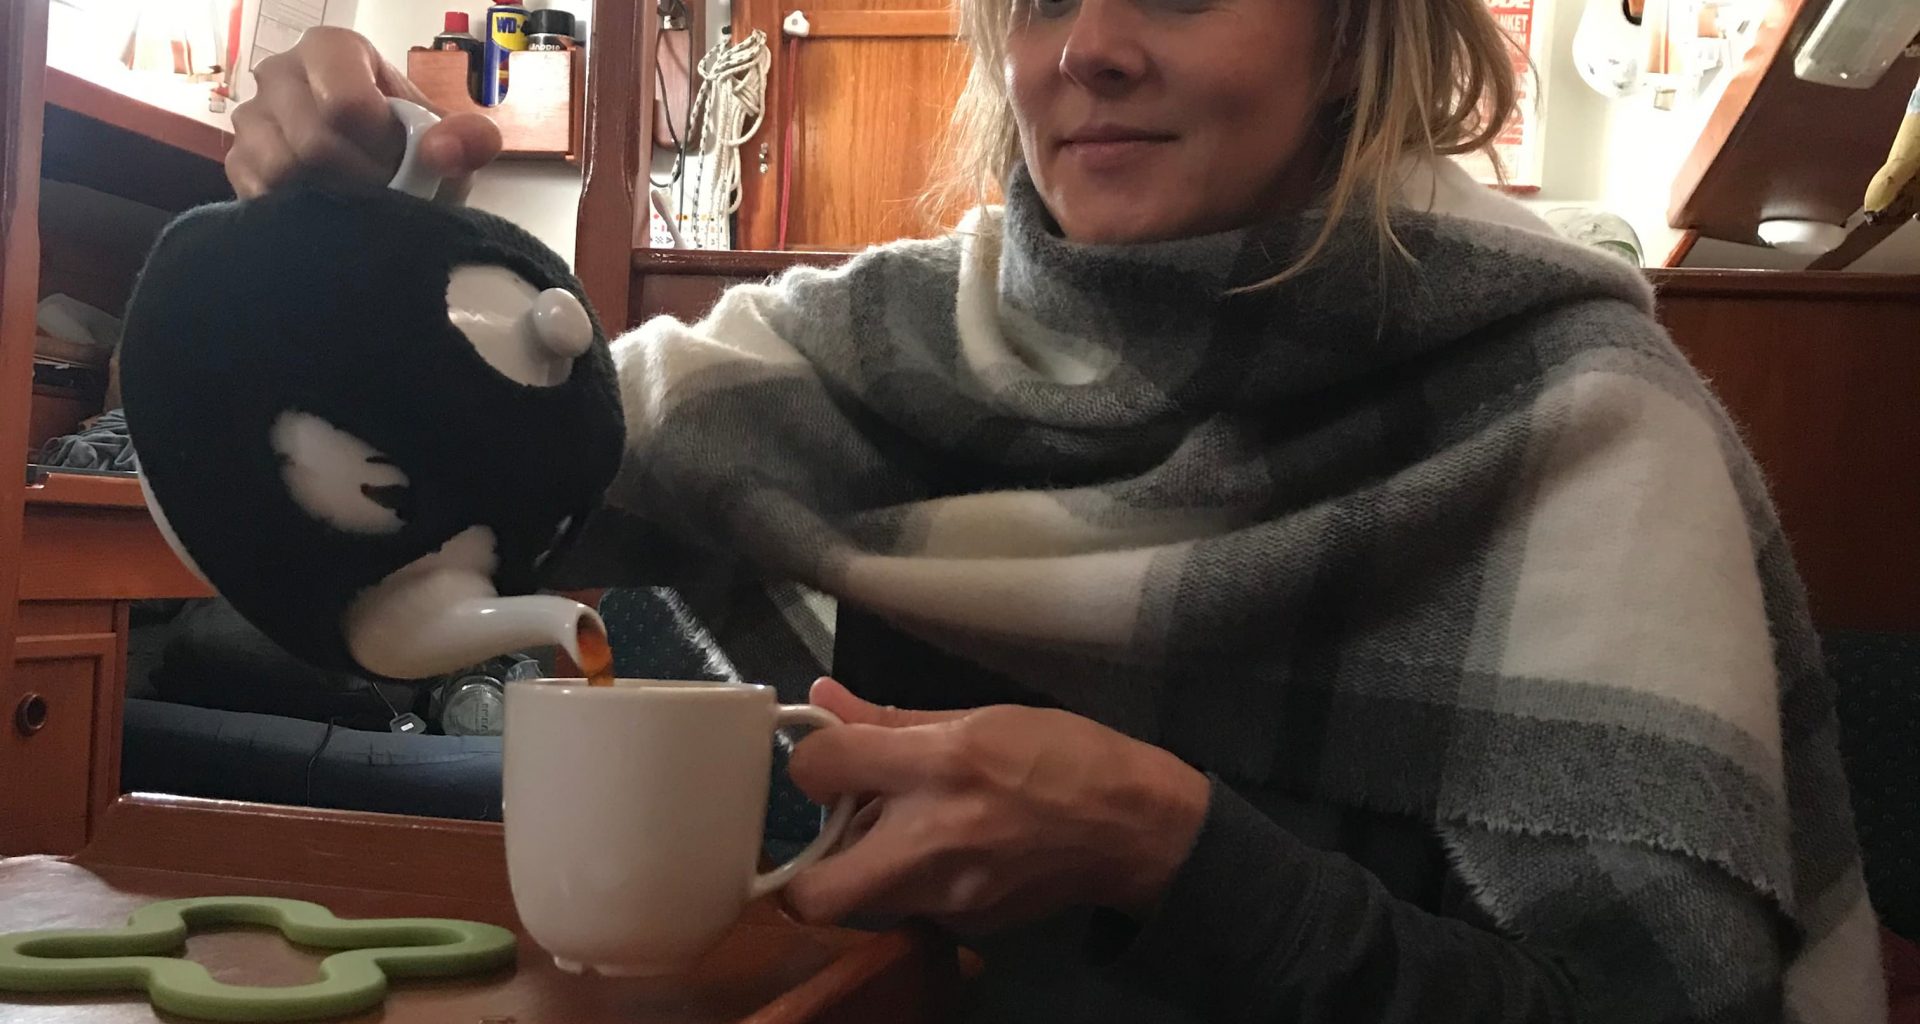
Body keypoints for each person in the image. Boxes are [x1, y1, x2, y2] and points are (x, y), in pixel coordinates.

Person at [225, 0, 1887, 1019]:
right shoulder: (869, 347)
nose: (1083, 43)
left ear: (1353, 32)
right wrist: (336, 254)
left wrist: (1170, 856)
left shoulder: (1583, 423)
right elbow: (453, 487)